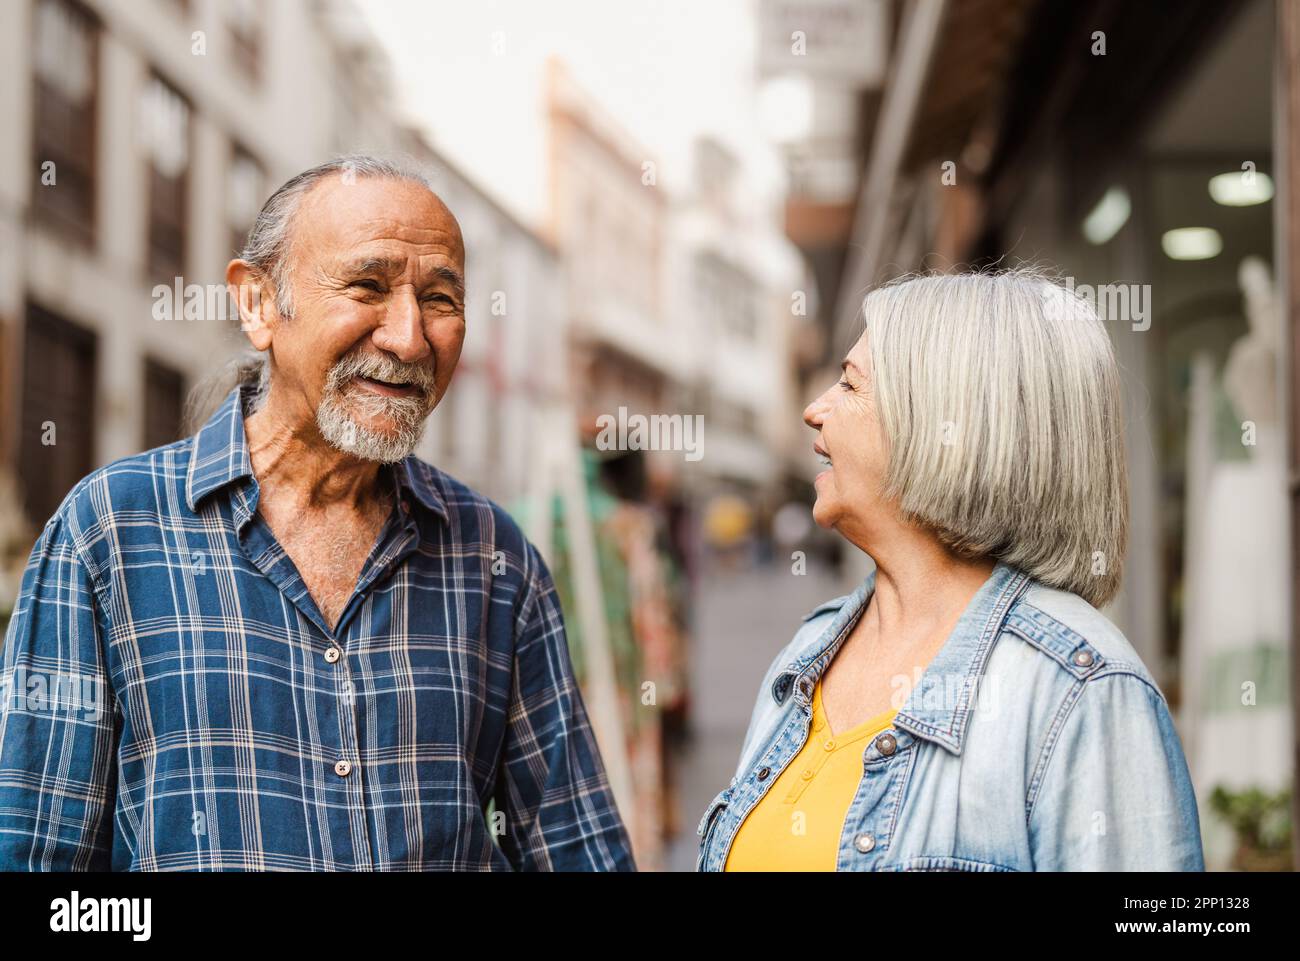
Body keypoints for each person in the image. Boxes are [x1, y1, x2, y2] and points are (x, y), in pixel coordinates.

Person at [0, 155, 634, 871]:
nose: (408, 337)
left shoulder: (493, 557)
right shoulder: (110, 532)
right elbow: (41, 864)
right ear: (259, 304)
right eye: (367, 286)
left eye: (440, 300)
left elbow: (577, 848)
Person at [697, 269, 1204, 871]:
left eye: (849, 385)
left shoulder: (1082, 689)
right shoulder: (808, 652)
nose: (814, 411)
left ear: (943, 427)